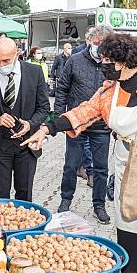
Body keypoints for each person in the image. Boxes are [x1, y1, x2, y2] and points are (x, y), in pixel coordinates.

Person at [24, 33, 137, 273]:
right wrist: (46, 129)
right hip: (127, 162)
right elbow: (82, 113)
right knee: (129, 218)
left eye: (107, 60)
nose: (103, 64)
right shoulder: (109, 92)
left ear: (122, 61)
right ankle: (130, 270)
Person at [0, 38, 50, 202]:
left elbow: (44, 108)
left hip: (27, 145)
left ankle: (25, 228)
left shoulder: (34, 72)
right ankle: (1, 228)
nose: (1, 65)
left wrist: (30, 124)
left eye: (6, 60)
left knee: (24, 195)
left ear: (17, 54)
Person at [53, 28, 111, 224]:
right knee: (71, 165)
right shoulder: (75, 60)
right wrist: (60, 117)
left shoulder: (112, 64)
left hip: (101, 126)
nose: (99, 47)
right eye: (96, 42)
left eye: (104, 43)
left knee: (101, 168)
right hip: (76, 124)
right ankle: (65, 201)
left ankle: (99, 205)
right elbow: (62, 88)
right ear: (89, 41)